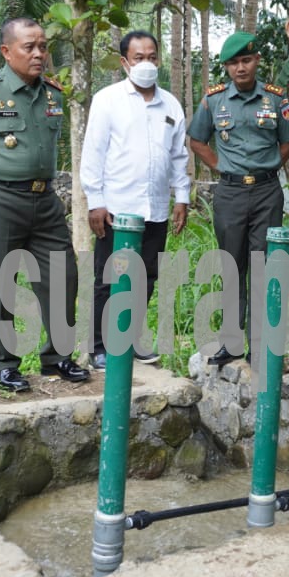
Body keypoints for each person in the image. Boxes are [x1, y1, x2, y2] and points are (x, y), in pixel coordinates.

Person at [0, 17, 90, 392]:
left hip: (45, 199)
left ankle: (57, 358)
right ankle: (4, 364)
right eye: (30, 47)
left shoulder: (53, 94)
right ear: (7, 52)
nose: (39, 53)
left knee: (62, 277)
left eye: (43, 46)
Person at [188, 31, 289, 366]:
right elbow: (197, 140)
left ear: (257, 61)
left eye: (246, 60)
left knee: (264, 269)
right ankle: (232, 343)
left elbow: (288, 144)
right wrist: (221, 167)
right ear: (226, 67)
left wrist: (266, 170)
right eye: (234, 62)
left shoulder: (276, 100)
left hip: (267, 192)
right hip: (231, 193)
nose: (241, 68)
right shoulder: (214, 100)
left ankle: (261, 346)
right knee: (232, 266)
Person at [81, 30, 190, 370]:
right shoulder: (107, 100)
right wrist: (95, 201)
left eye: (152, 57)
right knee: (109, 277)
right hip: (115, 209)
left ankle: (127, 341)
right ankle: (99, 347)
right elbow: (93, 153)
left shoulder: (170, 104)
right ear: (125, 62)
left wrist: (181, 198)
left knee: (146, 277)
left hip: (155, 209)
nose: (147, 64)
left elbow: (178, 156)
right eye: (139, 58)